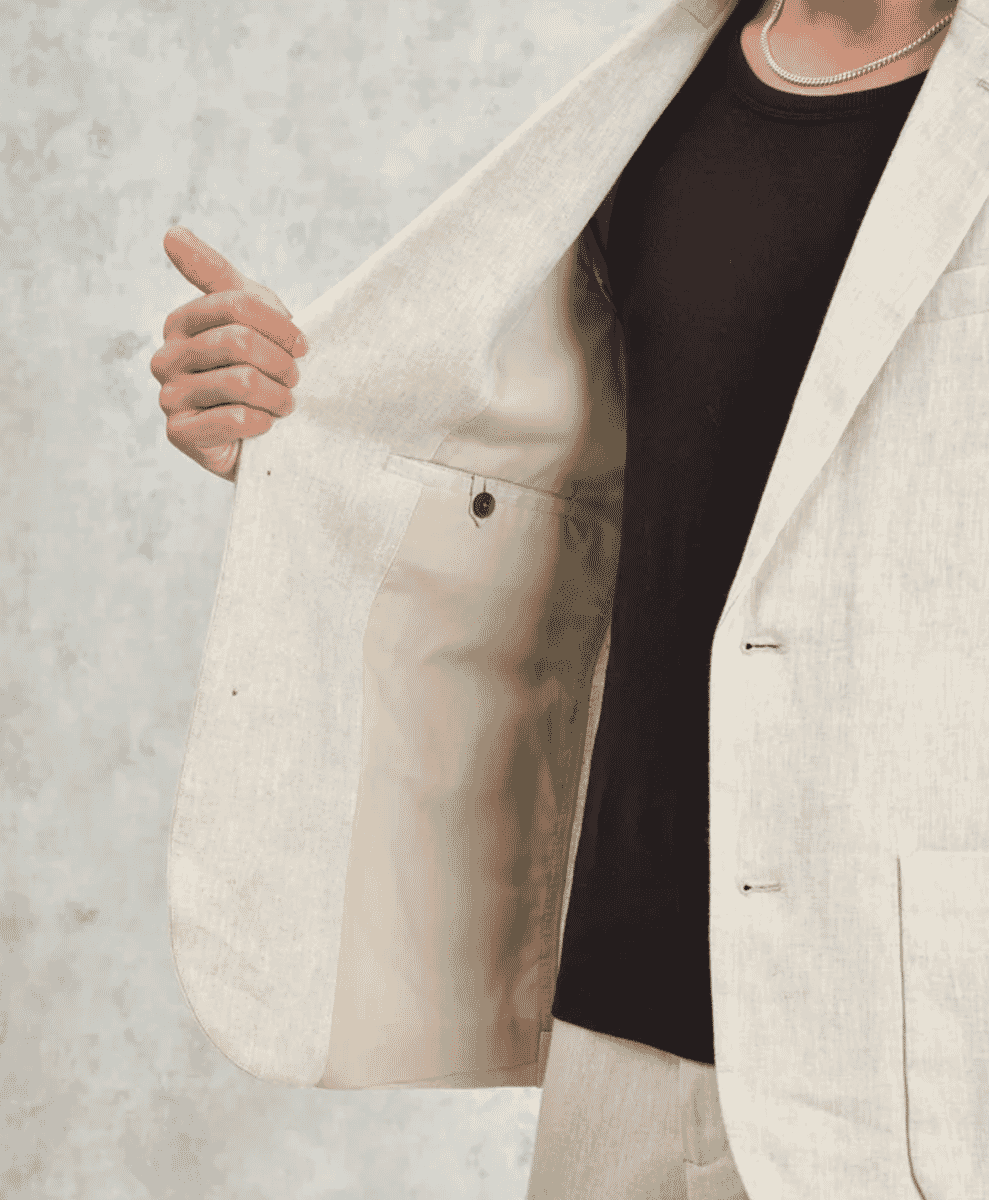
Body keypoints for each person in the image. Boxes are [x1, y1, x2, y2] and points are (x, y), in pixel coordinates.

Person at [153, 0, 989, 1195]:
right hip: (622, 1035)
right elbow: (540, 480)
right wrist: (289, 430)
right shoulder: (648, 105)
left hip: (919, 1045)